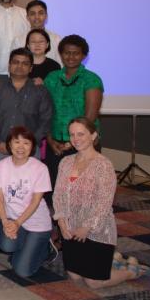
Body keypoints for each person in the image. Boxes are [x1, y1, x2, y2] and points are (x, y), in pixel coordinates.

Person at [53, 118, 148, 288]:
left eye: (81, 134)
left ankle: (130, 271)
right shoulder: (65, 162)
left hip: (97, 229)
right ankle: (112, 260)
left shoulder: (103, 165)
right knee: (75, 276)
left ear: (93, 135)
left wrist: (87, 227)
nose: (76, 139)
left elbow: (104, 202)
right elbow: (58, 194)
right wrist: (61, 221)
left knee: (93, 282)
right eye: (72, 134)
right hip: (71, 227)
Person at [0, 127, 54, 278]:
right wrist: (5, 223)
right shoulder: (0, 166)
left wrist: (17, 223)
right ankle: (27, 247)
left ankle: (45, 248)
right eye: (16, 142)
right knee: (6, 245)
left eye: (26, 143)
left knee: (22, 271)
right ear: (9, 145)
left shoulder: (40, 168)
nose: (20, 147)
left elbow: (35, 202)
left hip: (36, 223)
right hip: (12, 220)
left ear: (32, 147)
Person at [43, 35, 103, 186]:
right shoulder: (51, 78)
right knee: (56, 190)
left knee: (83, 190)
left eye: (76, 53)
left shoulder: (91, 79)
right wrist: (50, 139)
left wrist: (72, 142)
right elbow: (44, 111)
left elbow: (90, 117)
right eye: (66, 52)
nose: (71, 57)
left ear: (83, 56)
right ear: (61, 54)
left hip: (83, 144)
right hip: (55, 144)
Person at [0, 48, 54, 167]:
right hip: (0, 149)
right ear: (9, 65)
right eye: (16, 62)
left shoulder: (40, 91)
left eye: (25, 63)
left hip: (29, 152)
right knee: (0, 185)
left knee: (29, 185)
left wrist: (30, 143)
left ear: (31, 68)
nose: (19, 66)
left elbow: (46, 120)